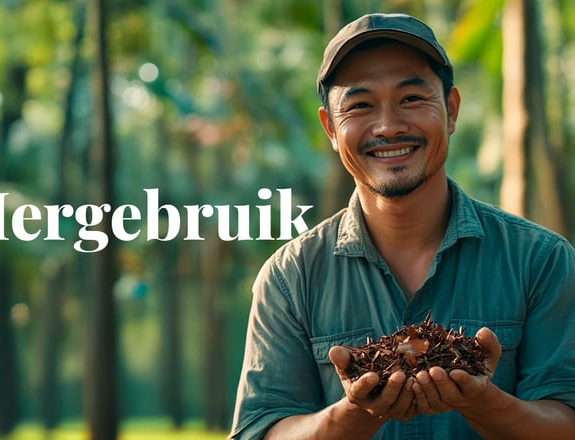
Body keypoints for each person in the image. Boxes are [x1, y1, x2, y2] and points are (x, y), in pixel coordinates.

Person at [229, 12, 575, 440]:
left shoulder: (541, 261)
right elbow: (260, 432)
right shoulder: (290, 278)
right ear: (331, 129)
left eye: (411, 98)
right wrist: (353, 413)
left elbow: (566, 421)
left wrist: (483, 401)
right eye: (360, 105)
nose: (389, 125)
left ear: (450, 111)